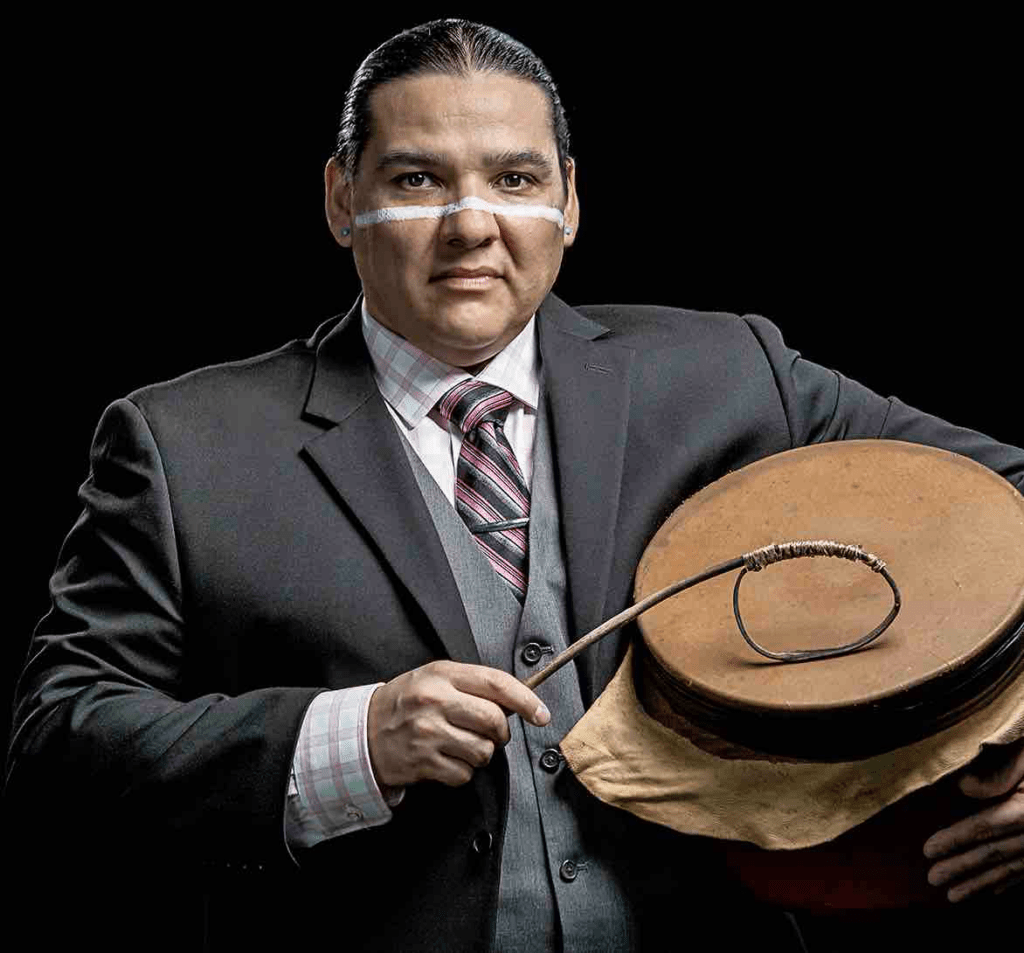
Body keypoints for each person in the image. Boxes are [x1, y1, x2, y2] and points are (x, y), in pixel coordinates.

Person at [6, 18, 1022, 953]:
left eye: (514, 178)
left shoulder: (729, 375)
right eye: (416, 179)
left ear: (569, 201)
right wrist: (348, 740)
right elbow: (57, 742)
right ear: (340, 198)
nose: (472, 224)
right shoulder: (182, 446)